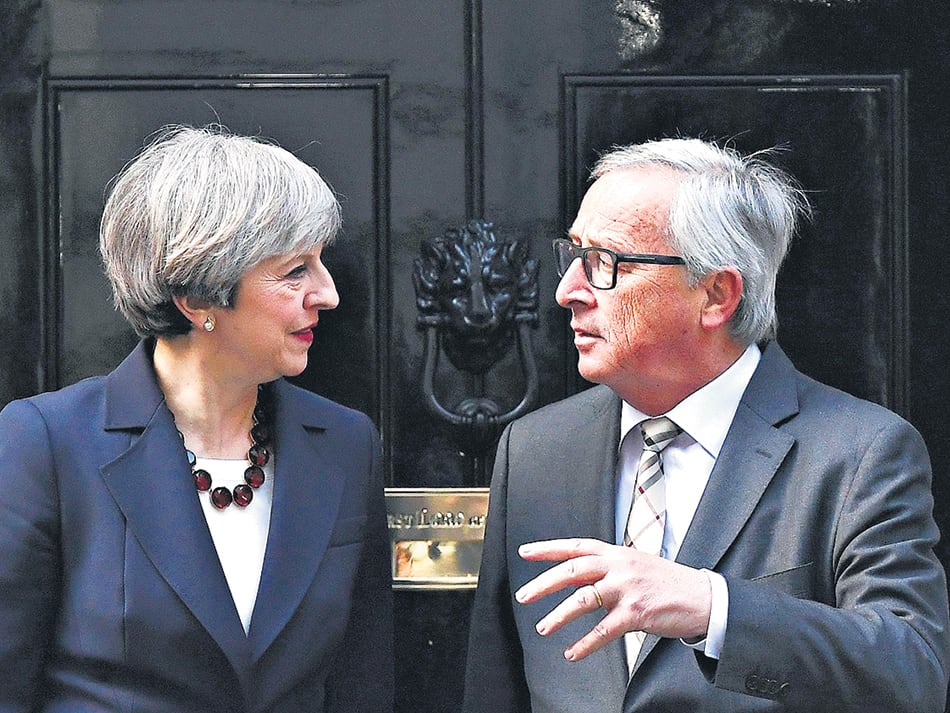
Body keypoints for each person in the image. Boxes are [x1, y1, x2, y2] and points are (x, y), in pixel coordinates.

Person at [462, 137, 950, 712]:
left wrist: (713, 607)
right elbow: (495, 686)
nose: (567, 291)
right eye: (572, 254)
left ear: (717, 295)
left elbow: (912, 672)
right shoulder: (536, 448)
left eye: (605, 262)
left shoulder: (859, 452)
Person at [0, 125, 393, 712]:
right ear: (199, 296)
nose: (328, 293)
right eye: (295, 271)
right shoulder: (45, 444)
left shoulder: (345, 442)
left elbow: (361, 680)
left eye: (321, 262)